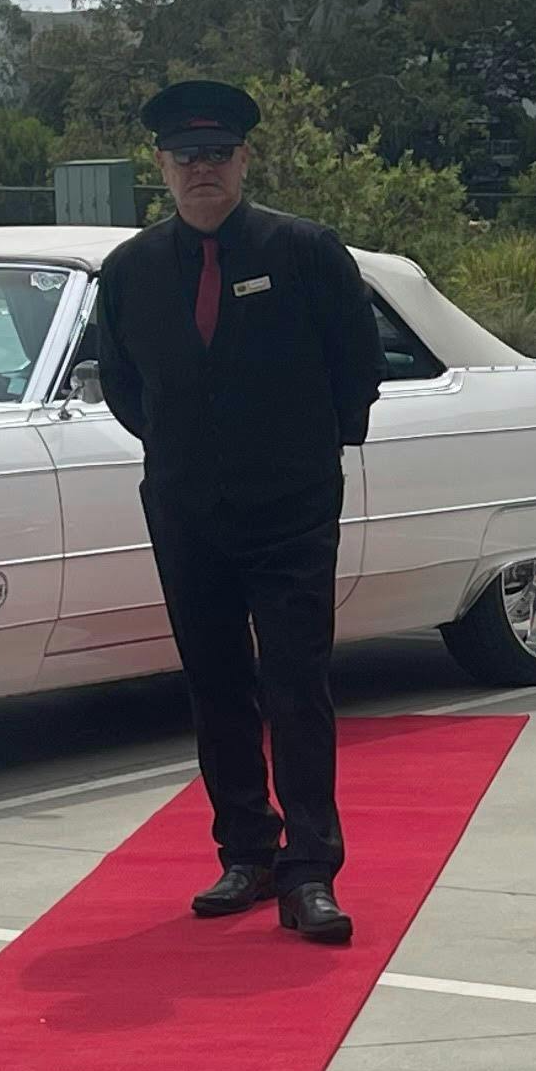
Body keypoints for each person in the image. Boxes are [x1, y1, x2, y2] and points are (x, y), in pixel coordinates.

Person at [84, 80, 387, 945]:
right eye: (186, 157)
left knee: (296, 684)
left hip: (290, 509)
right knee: (215, 684)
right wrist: (189, 454)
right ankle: (246, 852)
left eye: (218, 154)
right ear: (161, 166)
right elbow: (126, 387)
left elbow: (357, 367)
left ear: (245, 159)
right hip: (187, 509)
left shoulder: (304, 251)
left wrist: (303, 452)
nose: (202, 170)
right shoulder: (132, 271)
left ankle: (310, 871)